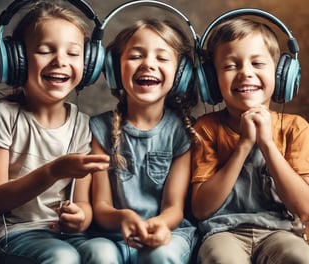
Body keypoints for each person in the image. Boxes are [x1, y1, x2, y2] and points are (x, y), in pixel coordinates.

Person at [0, 2, 110, 263]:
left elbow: (83, 203)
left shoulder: (83, 125)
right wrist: (53, 171)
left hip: (63, 235)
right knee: (62, 257)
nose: (60, 60)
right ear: (17, 60)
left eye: (73, 54)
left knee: (103, 252)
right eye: (44, 50)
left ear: (88, 66)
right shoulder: (3, 116)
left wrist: (80, 219)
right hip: (13, 234)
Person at [191, 16, 309, 264]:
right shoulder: (207, 128)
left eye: (257, 63)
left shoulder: (295, 128)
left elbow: (305, 208)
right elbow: (201, 209)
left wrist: (267, 144)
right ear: (211, 81)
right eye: (230, 66)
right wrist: (243, 145)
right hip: (222, 232)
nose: (246, 72)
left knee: (299, 257)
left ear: (280, 75)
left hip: (282, 231)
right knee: (222, 259)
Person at [87, 18, 198, 263]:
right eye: (136, 56)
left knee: (159, 256)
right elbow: (101, 206)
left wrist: (159, 225)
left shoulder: (181, 133)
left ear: (180, 74)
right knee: (99, 254)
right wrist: (123, 217)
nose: (148, 64)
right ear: (115, 69)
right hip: (111, 234)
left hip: (168, 231)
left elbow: (174, 208)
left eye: (161, 58)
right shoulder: (99, 129)